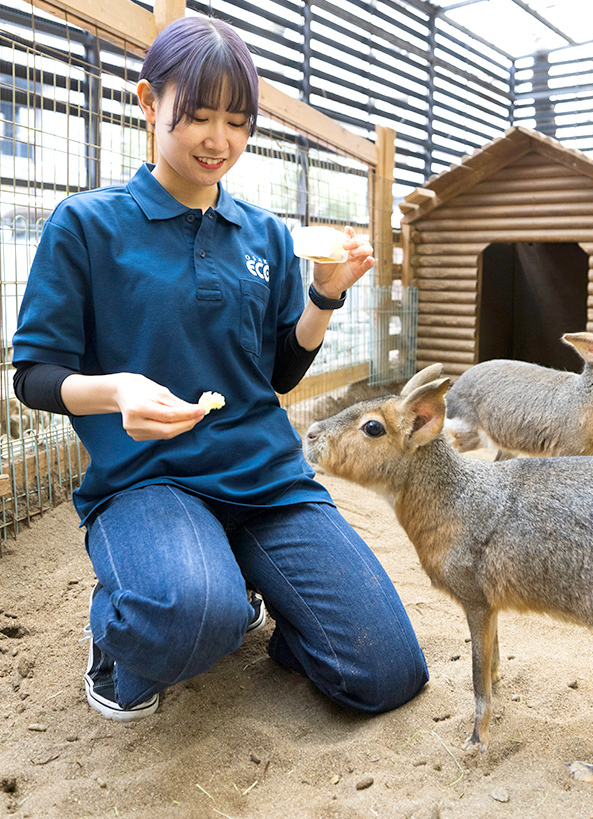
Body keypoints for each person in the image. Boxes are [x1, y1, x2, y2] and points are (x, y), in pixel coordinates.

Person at [12, 15, 428, 720]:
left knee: (387, 670)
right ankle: (125, 639)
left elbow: (281, 371)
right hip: (149, 481)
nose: (219, 140)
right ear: (148, 102)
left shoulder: (262, 232)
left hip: (267, 478)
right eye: (199, 115)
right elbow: (33, 374)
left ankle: (248, 592)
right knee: (195, 617)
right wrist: (115, 390)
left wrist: (326, 291)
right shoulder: (86, 226)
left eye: (238, 121)